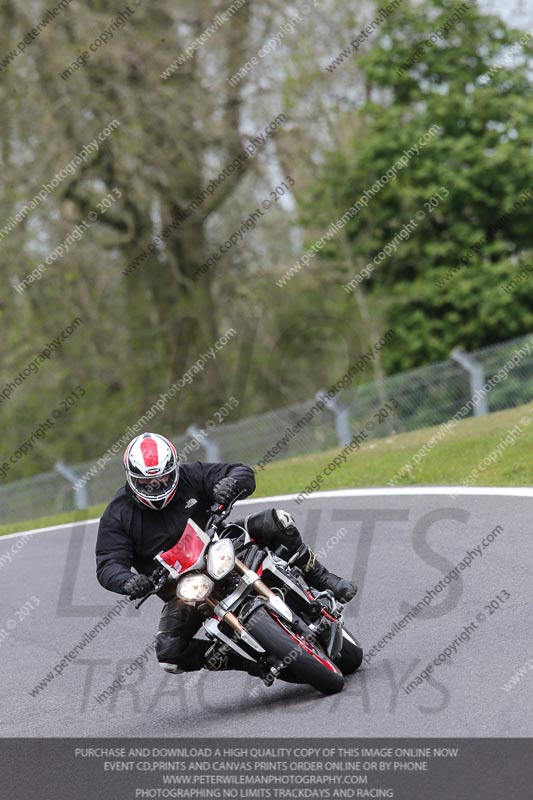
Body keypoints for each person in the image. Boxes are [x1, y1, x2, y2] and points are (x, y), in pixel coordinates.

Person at [95, 432, 357, 676]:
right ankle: (245, 662)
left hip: (223, 547)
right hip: (184, 589)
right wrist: (128, 581)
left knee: (277, 521)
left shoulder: (190, 475)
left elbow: (242, 471)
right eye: (146, 482)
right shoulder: (117, 515)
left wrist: (230, 484)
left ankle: (323, 579)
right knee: (169, 655)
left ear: (173, 469)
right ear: (131, 477)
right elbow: (108, 562)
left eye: (162, 478)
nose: (155, 486)